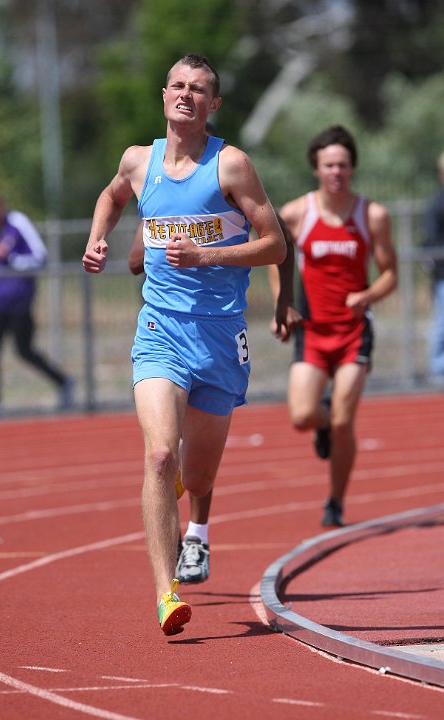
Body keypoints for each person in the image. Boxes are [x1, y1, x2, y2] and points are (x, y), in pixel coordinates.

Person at [82, 53, 287, 635]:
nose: (186, 95)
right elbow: (111, 196)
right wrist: (99, 240)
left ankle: (187, 512)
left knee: (195, 480)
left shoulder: (232, 167)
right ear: (163, 94)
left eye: (198, 89)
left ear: (212, 105)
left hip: (219, 337)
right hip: (160, 329)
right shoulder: (137, 160)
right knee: (158, 455)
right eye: (177, 85)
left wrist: (208, 255)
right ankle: (166, 593)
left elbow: (274, 245)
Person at [129, 210, 297, 587]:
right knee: (162, 452)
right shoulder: (161, 194)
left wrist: (283, 299)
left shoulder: (230, 181)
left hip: (218, 338)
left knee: (197, 469)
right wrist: (158, 238)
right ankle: (175, 566)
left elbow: (280, 238)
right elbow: (134, 262)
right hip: (166, 334)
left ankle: (197, 533)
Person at [270, 125, 398, 527]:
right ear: (316, 169)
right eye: (329, 165)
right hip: (312, 331)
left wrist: (368, 296)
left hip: (354, 332)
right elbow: (275, 254)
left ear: (353, 168)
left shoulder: (371, 215)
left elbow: (391, 273)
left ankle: (335, 502)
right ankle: (321, 422)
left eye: (343, 165)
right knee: (302, 416)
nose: (336, 172)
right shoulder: (296, 213)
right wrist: (283, 303)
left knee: (346, 421)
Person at [0, 189, 75, 418]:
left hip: (19, 301)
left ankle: (64, 382)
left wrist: (9, 258)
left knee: (24, 350)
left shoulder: (18, 222)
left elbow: (40, 256)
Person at [423, 151, 444, 380]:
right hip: (443, 275)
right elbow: (430, 240)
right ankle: (439, 369)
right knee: (442, 322)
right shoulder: (436, 205)